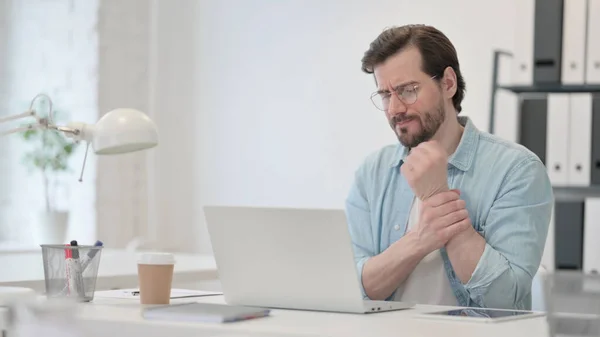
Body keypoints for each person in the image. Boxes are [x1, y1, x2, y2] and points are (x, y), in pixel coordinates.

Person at [345, 24, 553, 310]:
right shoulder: (373, 173)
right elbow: (352, 288)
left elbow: (504, 300)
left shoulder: (517, 170)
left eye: (407, 90)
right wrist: (418, 241)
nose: (394, 109)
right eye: (385, 95)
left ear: (448, 83)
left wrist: (436, 195)